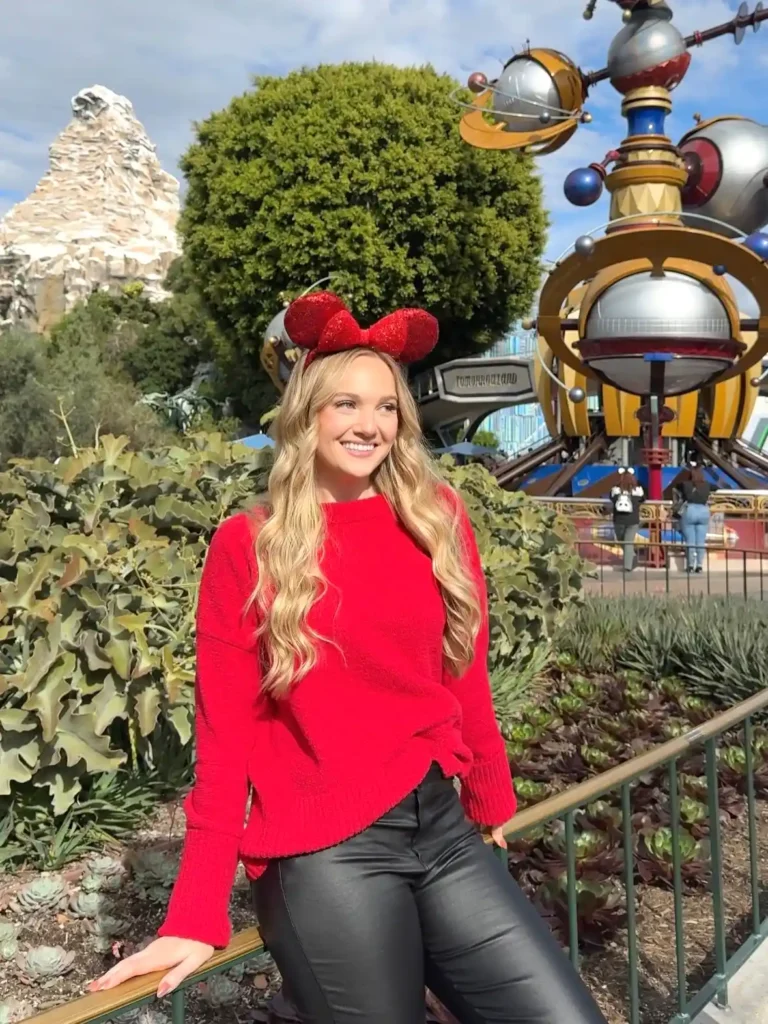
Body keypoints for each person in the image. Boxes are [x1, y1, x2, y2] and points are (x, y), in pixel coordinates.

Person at [89, 291, 607, 1024]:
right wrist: (196, 912)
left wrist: (491, 791)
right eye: (345, 405)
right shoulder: (250, 545)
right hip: (328, 854)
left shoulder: (435, 516)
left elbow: (462, 666)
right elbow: (225, 738)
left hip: (440, 828)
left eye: (386, 407)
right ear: (307, 415)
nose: (370, 425)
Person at [675, 462, 713, 573]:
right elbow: (716, 488)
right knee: (700, 542)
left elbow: (677, 486)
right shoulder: (707, 485)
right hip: (704, 511)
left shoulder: (685, 484)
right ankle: (700, 566)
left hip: (690, 510)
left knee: (690, 541)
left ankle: (691, 565)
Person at [609, 467, 645, 572]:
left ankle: (627, 566)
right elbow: (643, 500)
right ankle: (632, 558)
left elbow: (611, 498)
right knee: (627, 543)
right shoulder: (638, 491)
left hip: (619, 520)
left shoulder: (615, 490)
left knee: (624, 542)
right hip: (633, 520)